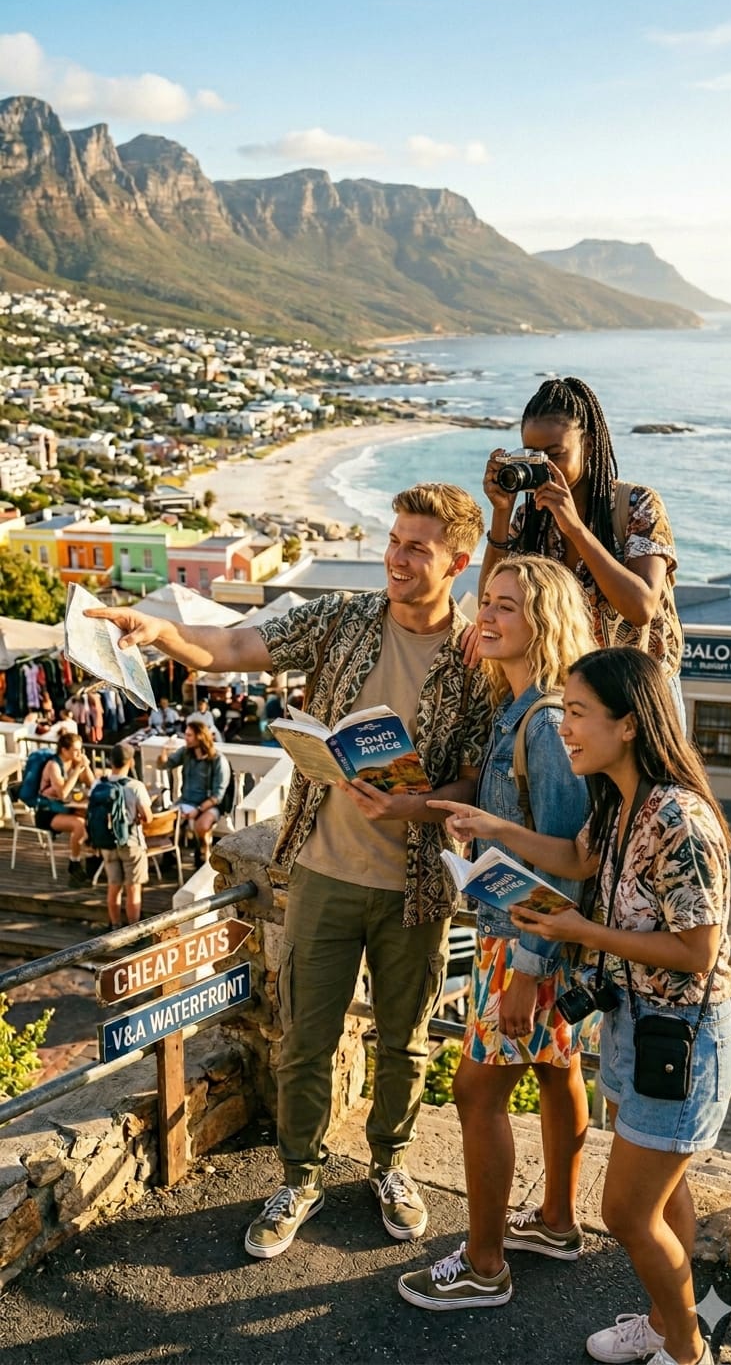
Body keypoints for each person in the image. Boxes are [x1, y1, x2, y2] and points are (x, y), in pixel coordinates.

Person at [85, 482, 491, 1257]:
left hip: (418, 885)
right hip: (323, 871)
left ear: (459, 563)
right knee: (305, 1037)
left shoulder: (476, 658)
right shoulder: (341, 617)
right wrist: (156, 631)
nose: (397, 558)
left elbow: (476, 775)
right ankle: (299, 1177)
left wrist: (419, 806)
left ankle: (391, 1165)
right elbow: (233, 648)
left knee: (406, 1042)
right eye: (395, 540)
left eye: (417, 548)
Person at [435, 648, 731, 1365]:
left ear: (628, 725)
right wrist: (495, 829)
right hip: (638, 1030)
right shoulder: (616, 798)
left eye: (576, 713)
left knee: (626, 1213)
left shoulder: (679, 820)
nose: (562, 727)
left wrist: (579, 931)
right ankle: (669, 1323)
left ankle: (686, 1348)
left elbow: (698, 952)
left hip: (682, 1043)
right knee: (664, 1198)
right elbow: (576, 859)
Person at [397, 554, 593, 1312]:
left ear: (542, 622)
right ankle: (556, 1223)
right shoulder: (523, 709)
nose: (487, 614)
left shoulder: (544, 724)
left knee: (476, 1096)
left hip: (523, 941)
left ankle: (483, 1268)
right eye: (489, 601)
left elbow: (570, 857)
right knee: (554, 1069)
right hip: (526, 937)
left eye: (507, 606)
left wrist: (528, 965)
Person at [479, 376, 685, 720]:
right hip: (567, 698)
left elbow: (641, 607)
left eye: (554, 453)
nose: (544, 466)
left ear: (588, 445)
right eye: (533, 454)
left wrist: (574, 528)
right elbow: (491, 599)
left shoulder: (636, 505)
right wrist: (501, 512)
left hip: (638, 699)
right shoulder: (531, 517)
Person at [158, 721, 230, 864]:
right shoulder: (186, 752)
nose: (186, 738)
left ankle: (203, 851)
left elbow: (217, 796)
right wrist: (164, 752)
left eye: (189, 735)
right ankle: (170, 855)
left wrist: (197, 810)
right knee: (165, 822)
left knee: (201, 826)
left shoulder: (218, 760)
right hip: (186, 801)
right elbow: (164, 765)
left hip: (209, 805)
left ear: (200, 736)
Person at [99, 743, 153, 929]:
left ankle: (114, 926)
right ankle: (132, 932)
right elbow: (147, 817)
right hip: (131, 842)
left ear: (110, 761)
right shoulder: (135, 786)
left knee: (114, 886)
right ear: (130, 762)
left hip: (107, 842)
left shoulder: (100, 784)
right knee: (133, 888)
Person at [35, 731, 96, 884]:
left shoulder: (74, 762)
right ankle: (74, 864)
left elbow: (93, 785)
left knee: (93, 819)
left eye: (80, 749)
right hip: (47, 812)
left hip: (64, 808)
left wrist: (86, 766)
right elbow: (62, 793)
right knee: (79, 824)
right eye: (75, 750)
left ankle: (92, 860)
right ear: (64, 750)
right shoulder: (53, 765)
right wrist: (76, 771)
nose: (79, 753)